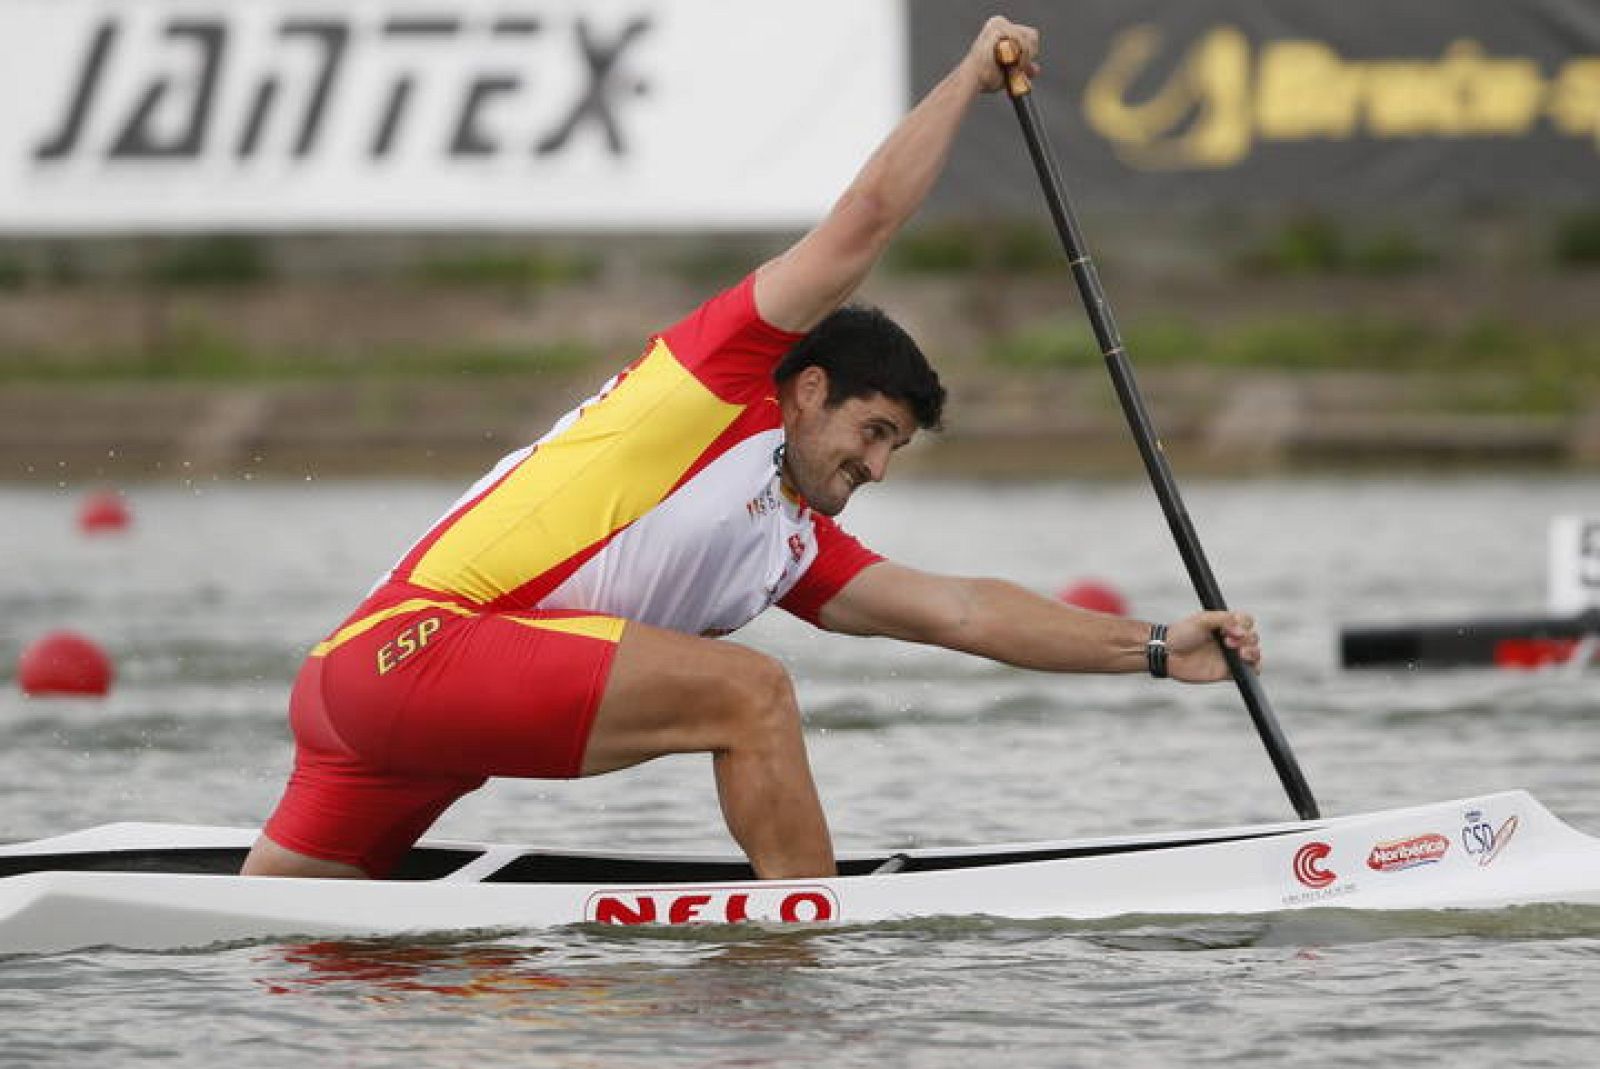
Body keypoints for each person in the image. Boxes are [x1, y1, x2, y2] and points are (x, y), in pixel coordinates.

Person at [242, 16, 1261, 882]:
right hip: (418, 652)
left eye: (895, 449)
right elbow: (861, 225)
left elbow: (962, 612)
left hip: (369, 702)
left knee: (277, 949)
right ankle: (810, 940)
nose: (876, 467)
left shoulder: (790, 542)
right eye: (871, 431)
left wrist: (1159, 649)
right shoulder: (715, 382)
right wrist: (963, 81)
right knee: (750, 691)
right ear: (807, 390)